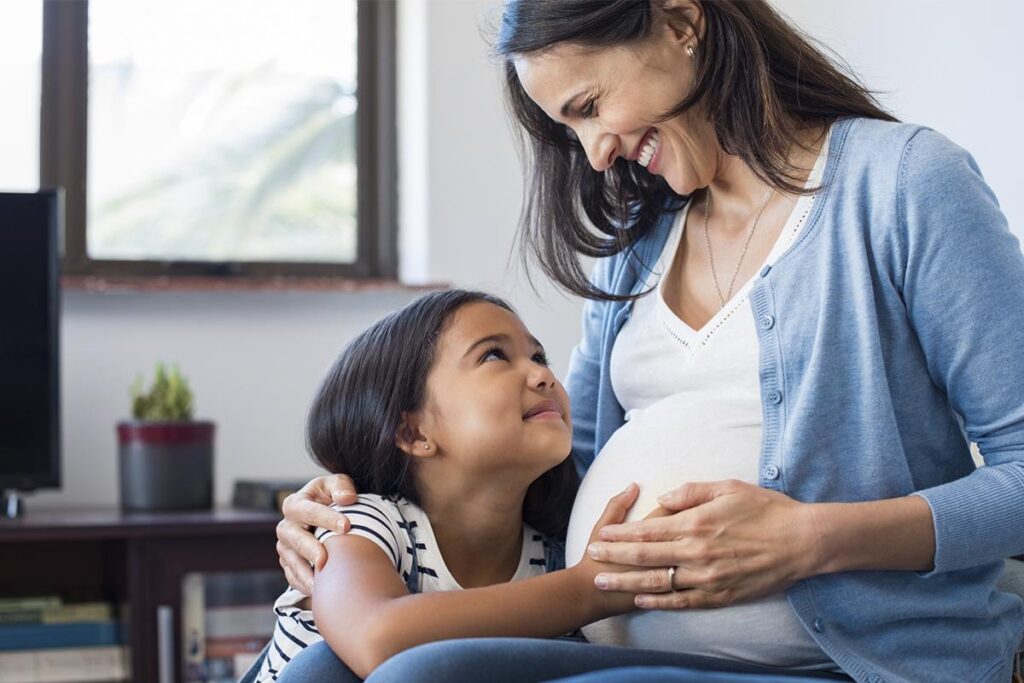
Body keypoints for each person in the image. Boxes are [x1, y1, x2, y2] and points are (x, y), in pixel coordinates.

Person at [273, 1, 1024, 682]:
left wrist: (811, 539)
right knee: (315, 673)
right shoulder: (635, 248)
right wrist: (354, 507)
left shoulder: (902, 185)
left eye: (591, 105)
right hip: (602, 641)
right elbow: (565, 476)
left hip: (837, 661)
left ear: (680, 22)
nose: (595, 153)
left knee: (416, 679)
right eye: (571, 129)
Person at [252, 289, 651, 681]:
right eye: (494, 355)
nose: (543, 374)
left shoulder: (553, 555)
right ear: (413, 433)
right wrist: (587, 589)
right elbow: (376, 638)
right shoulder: (361, 525)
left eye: (538, 356)